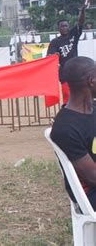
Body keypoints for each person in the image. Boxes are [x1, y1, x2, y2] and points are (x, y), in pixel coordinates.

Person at [50, 56, 96, 209]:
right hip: (90, 196)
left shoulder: (93, 108)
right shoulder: (65, 128)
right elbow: (93, 177)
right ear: (91, 81)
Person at [47, 0, 89, 103]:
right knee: (67, 97)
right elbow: (49, 57)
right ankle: (67, 116)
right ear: (58, 28)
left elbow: (81, 21)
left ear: (68, 27)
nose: (64, 28)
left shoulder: (73, 34)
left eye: (66, 26)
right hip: (64, 73)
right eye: (62, 26)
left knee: (79, 95)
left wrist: (82, 10)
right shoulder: (55, 42)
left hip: (76, 71)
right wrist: (55, 56)